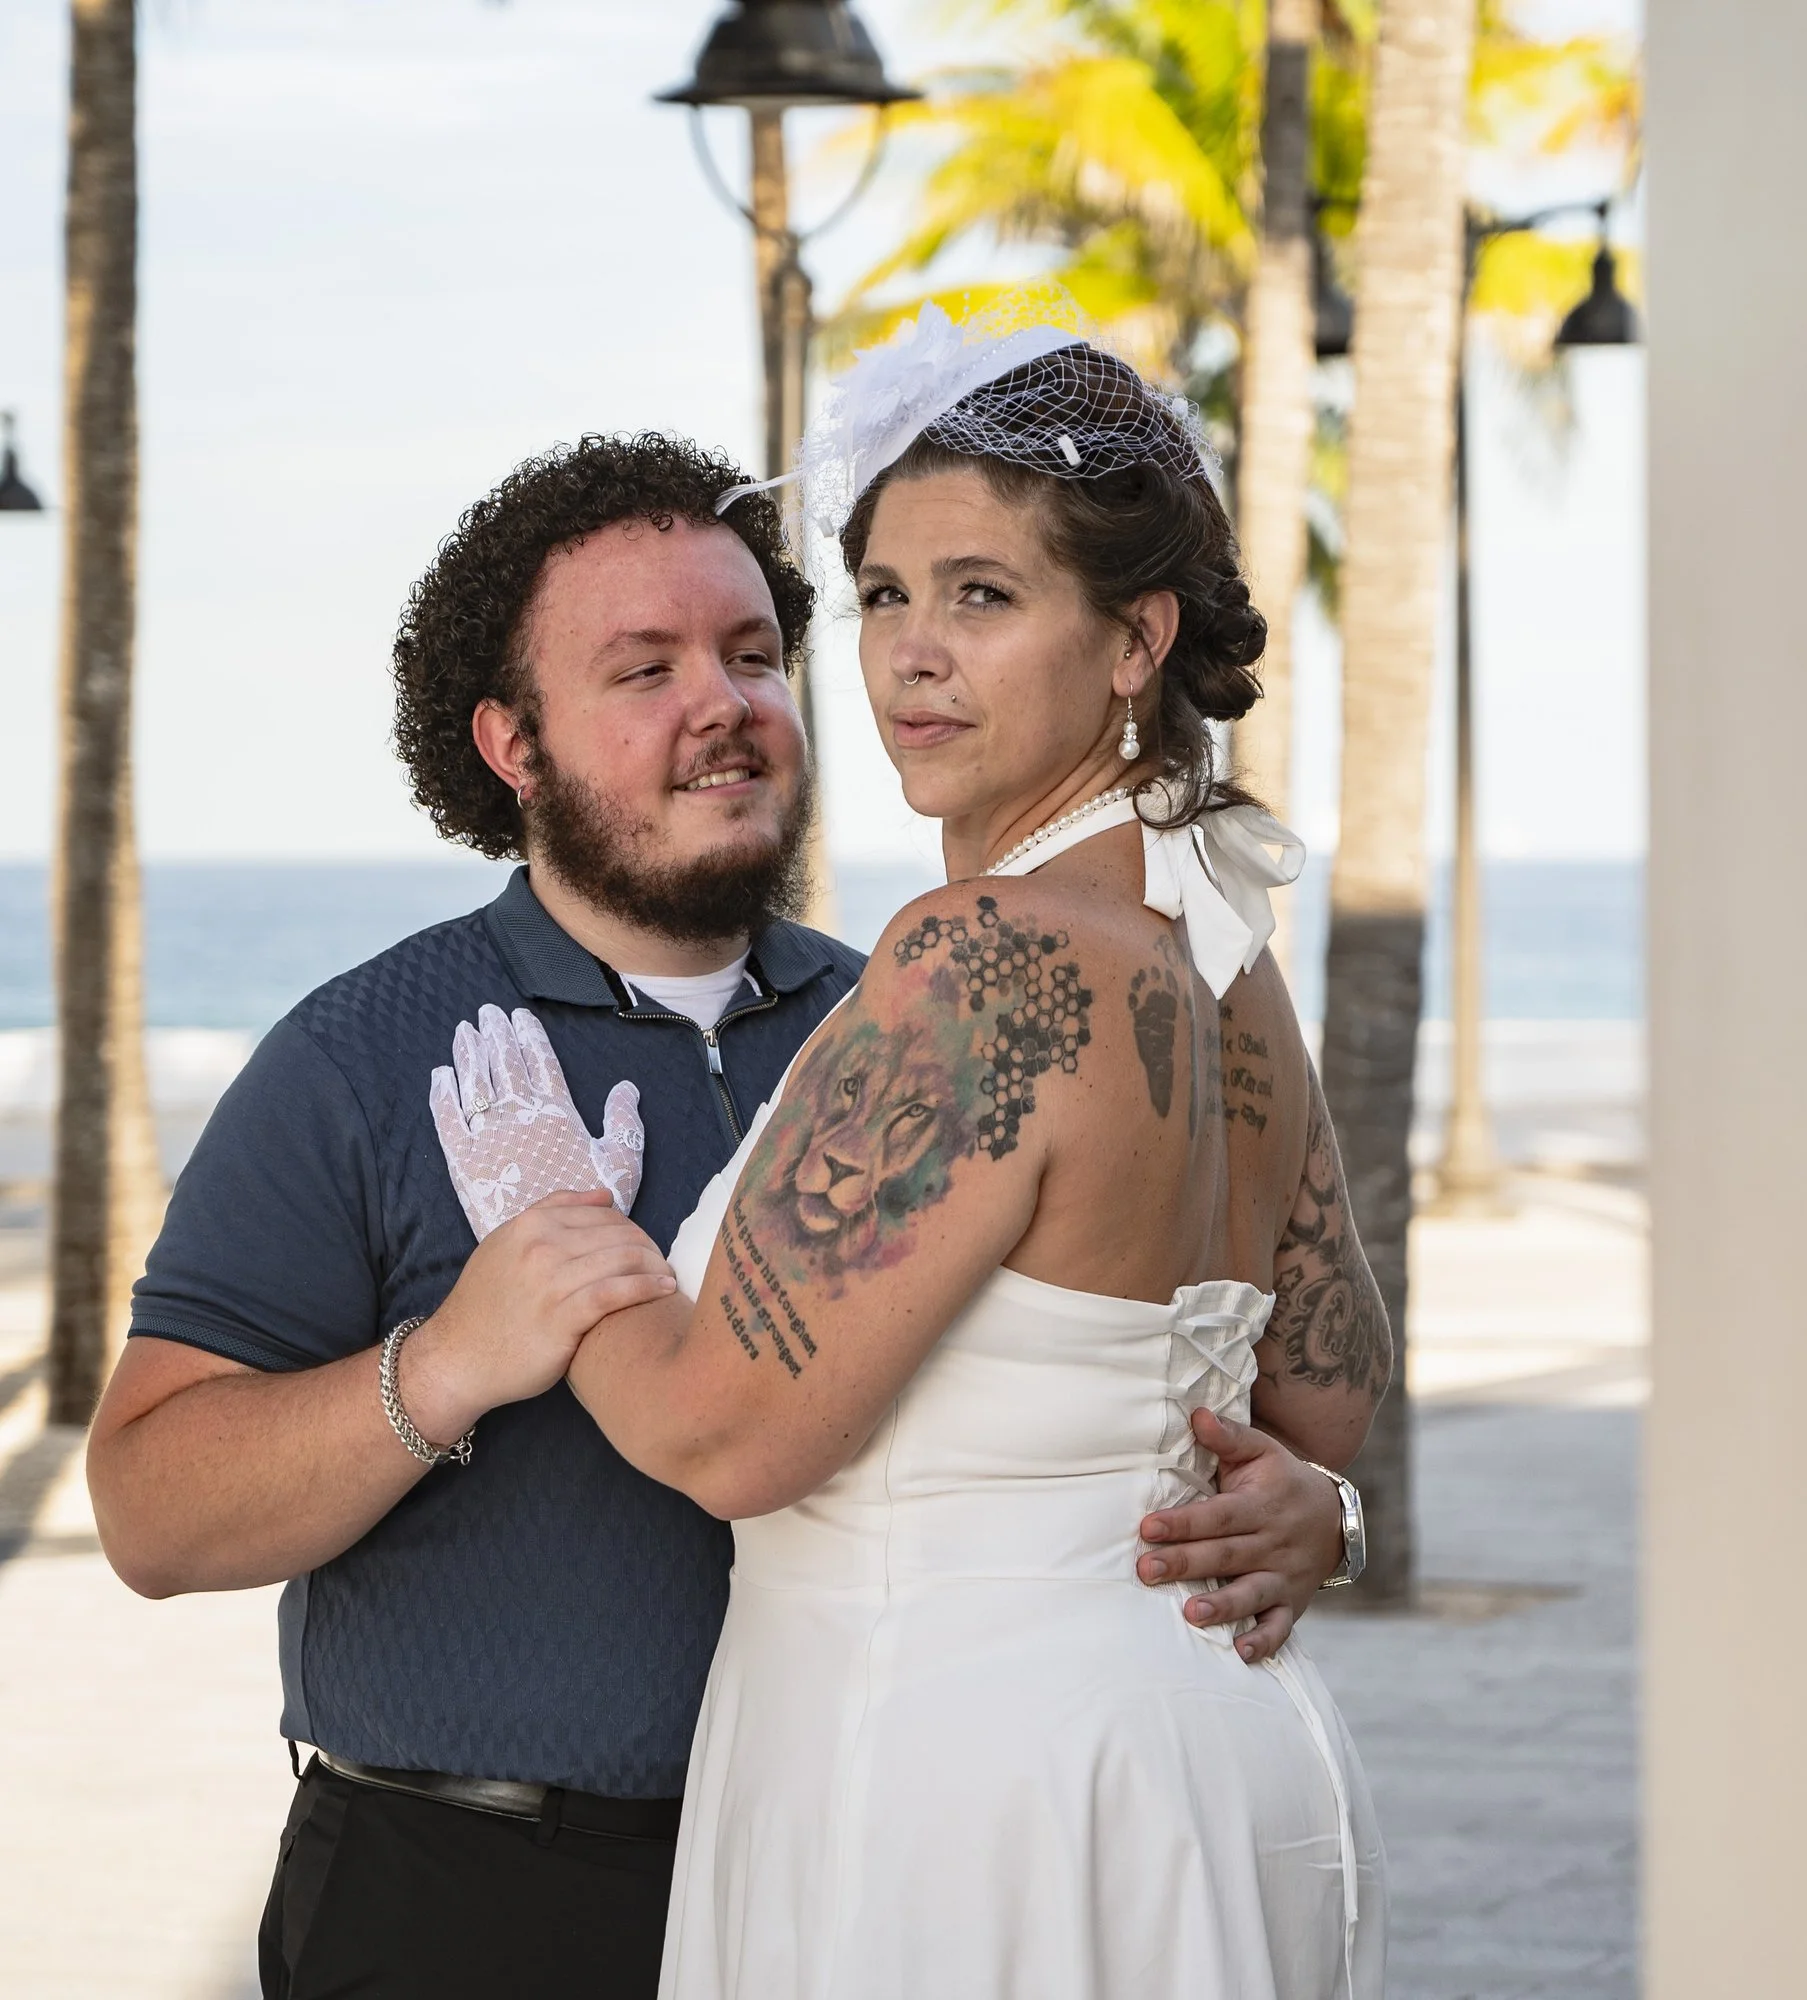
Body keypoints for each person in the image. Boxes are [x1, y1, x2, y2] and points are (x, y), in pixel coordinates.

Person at [80, 430, 1355, 2000]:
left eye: (754, 652)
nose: (724, 704)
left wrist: (1301, 1500)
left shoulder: (903, 1017)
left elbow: (1199, 1349)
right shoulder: (364, 1056)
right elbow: (146, 1506)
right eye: (642, 670)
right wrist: (449, 1367)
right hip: (472, 1904)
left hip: (863, 1855)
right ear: (510, 743)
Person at [437, 309, 1395, 1997]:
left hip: (972, 1794)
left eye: (984, 594)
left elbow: (723, 1433)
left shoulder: (988, 957)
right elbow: (1325, 1408)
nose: (910, 656)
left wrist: (550, 1219)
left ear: (1131, 641)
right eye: (884, 593)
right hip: (1209, 1761)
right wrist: (1324, 1516)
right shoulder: (1224, 957)